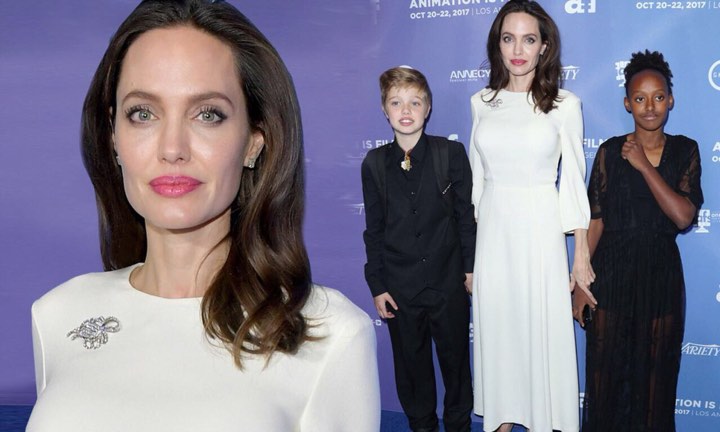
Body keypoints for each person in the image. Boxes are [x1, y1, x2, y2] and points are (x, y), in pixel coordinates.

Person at [27, 1, 380, 431]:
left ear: (254, 141)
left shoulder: (330, 333)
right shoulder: (58, 314)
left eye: (208, 114)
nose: (172, 148)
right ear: (113, 136)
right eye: (143, 114)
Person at [468, 1, 596, 431]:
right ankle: (501, 422)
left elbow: (573, 181)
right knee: (499, 329)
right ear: (498, 44)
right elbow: (477, 181)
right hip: (493, 233)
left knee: (539, 329)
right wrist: (471, 254)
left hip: (540, 229)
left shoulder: (564, 104)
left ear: (544, 46)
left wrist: (580, 255)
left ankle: (543, 420)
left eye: (528, 39)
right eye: (509, 39)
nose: (518, 50)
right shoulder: (481, 102)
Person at [573, 50, 703, 432]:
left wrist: (645, 166)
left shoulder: (685, 150)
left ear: (671, 100)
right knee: (605, 384)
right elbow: (596, 221)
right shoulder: (609, 152)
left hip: (660, 281)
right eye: (640, 98)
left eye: (658, 97)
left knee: (655, 389)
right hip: (610, 280)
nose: (650, 107)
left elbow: (683, 216)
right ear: (627, 103)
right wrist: (580, 283)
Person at [361, 66, 475, 432]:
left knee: (457, 367)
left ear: (428, 108)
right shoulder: (374, 164)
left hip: (448, 283)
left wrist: (470, 269)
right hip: (400, 288)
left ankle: (458, 426)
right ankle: (422, 426)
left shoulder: (450, 154)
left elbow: (465, 217)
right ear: (385, 109)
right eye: (396, 102)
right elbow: (374, 230)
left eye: (415, 102)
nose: (406, 110)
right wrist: (378, 284)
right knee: (411, 370)